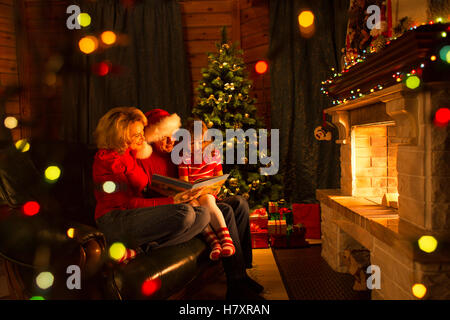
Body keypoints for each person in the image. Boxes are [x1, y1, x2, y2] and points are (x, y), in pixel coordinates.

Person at [138, 109, 264, 300]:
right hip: (182, 207)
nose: (171, 141)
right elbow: (148, 191)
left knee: (240, 203)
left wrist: (211, 187)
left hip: (200, 197)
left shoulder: (179, 149)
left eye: (173, 136)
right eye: (164, 138)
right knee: (228, 211)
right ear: (153, 137)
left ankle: (244, 271)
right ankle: (236, 283)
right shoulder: (146, 159)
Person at [92, 107, 209, 262]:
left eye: (142, 132)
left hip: (135, 214)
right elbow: (128, 203)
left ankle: (143, 251)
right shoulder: (110, 161)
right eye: (137, 135)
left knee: (203, 214)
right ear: (121, 137)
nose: (143, 138)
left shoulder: (132, 153)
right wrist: (174, 200)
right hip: (115, 220)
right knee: (184, 213)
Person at [179, 119, 235, 261]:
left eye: (201, 142)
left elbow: (219, 178)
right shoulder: (184, 157)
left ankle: (226, 240)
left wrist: (211, 188)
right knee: (195, 208)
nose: (197, 146)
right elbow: (184, 183)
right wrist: (191, 193)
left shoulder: (213, 153)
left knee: (208, 202)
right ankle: (214, 243)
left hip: (208, 192)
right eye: (192, 143)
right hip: (191, 195)